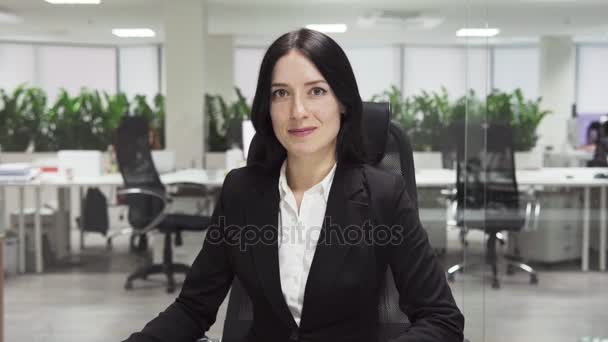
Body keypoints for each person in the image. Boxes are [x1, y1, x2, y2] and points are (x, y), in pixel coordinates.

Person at [123, 28, 464, 342]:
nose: (298, 111)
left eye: (316, 91)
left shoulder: (383, 195)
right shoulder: (241, 191)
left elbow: (441, 318)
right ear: (267, 107)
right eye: (281, 94)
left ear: (342, 102)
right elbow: (192, 308)